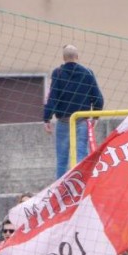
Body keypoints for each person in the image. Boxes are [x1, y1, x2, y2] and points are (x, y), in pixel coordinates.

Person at [43, 45, 104, 177]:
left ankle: (61, 191)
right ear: (77, 57)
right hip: (82, 121)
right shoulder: (87, 73)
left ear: (63, 58)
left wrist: (47, 118)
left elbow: (52, 97)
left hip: (63, 121)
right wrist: (96, 116)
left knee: (61, 161)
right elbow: (98, 98)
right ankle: (81, 189)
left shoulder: (57, 73)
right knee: (82, 157)